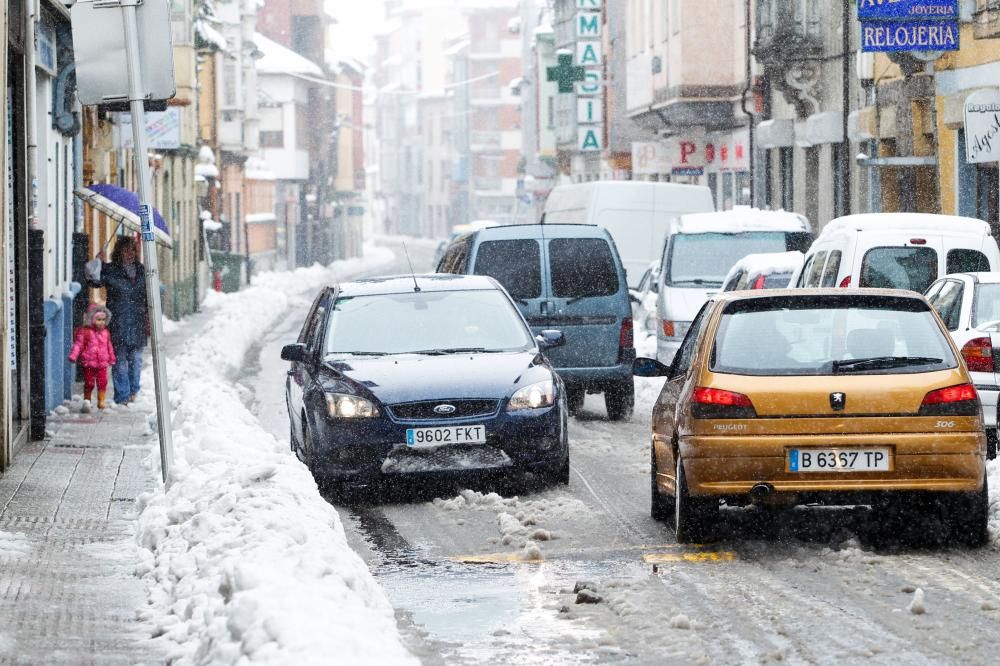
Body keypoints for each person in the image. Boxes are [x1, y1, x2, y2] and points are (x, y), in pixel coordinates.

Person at [90, 236, 148, 405]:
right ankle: (123, 395)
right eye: (126, 249)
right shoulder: (110, 270)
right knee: (120, 360)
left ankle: (133, 391)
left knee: (136, 359)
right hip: (118, 321)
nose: (130, 253)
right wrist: (98, 262)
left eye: (133, 250)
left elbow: (148, 295)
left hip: (137, 321)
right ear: (119, 251)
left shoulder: (142, 270)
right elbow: (94, 281)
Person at [68, 304, 117, 411]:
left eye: (104, 320)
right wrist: (73, 355)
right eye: (99, 319)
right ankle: (87, 400)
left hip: (102, 363)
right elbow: (78, 345)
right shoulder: (85, 332)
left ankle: (101, 400)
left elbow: (109, 346)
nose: (102, 322)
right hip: (89, 363)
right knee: (89, 383)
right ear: (92, 319)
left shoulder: (106, 333)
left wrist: (112, 358)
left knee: (103, 382)